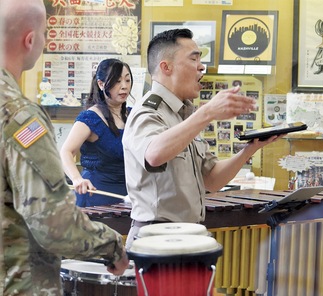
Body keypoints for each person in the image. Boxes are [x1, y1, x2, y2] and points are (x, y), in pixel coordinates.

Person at [0, 0, 129, 294]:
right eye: (45, 34)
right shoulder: (19, 116)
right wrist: (111, 246)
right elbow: (52, 224)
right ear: (30, 40)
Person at [122, 28, 284, 249]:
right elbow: (154, 154)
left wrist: (250, 149)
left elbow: (212, 179)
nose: (201, 67)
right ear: (165, 67)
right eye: (194, 58)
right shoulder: (148, 111)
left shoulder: (184, 115)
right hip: (155, 239)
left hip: (189, 235)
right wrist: (206, 113)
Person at [60, 58, 133, 207]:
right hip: (96, 194)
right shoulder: (90, 118)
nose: (124, 87)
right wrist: (76, 179)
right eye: (117, 81)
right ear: (101, 84)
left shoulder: (133, 115)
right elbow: (66, 151)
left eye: (127, 80)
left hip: (129, 194)